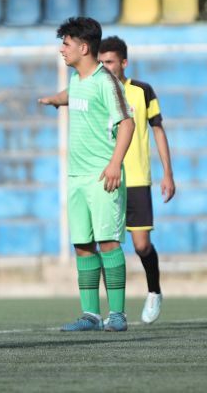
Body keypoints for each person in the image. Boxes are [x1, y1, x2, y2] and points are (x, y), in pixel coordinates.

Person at [38, 17, 134, 332]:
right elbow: (74, 94)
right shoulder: (78, 80)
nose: (61, 50)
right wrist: (55, 99)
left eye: (66, 44)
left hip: (102, 175)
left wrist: (114, 164)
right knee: (82, 244)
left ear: (83, 47)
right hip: (76, 176)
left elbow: (127, 122)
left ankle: (117, 315)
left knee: (108, 242)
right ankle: (91, 315)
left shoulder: (107, 82)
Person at [98, 36, 175, 323]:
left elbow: (158, 130)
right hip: (107, 178)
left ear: (124, 62)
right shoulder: (97, 91)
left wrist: (168, 173)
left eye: (110, 62)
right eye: (101, 63)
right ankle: (113, 311)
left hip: (137, 177)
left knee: (142, 245)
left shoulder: (142, 91)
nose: (105, 67)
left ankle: (154, 291)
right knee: (108, 246)